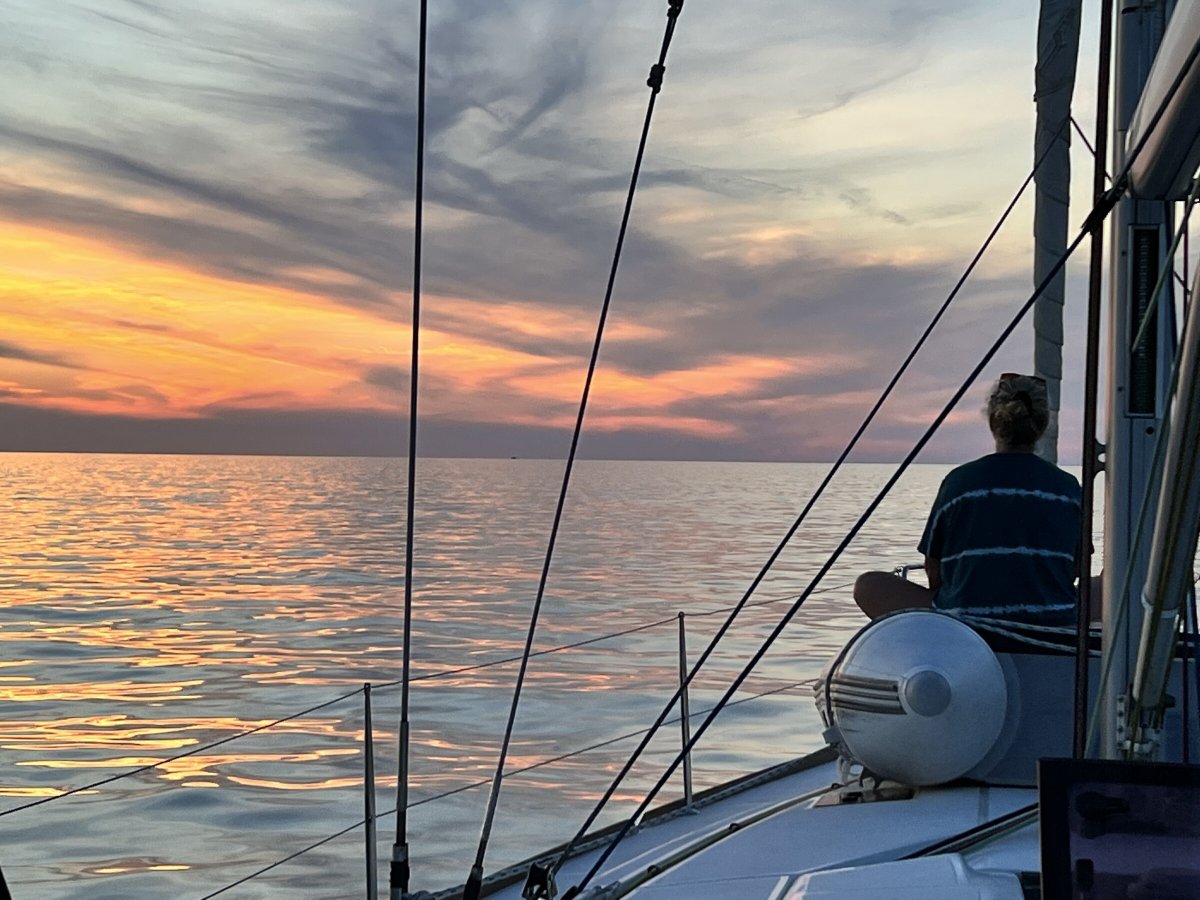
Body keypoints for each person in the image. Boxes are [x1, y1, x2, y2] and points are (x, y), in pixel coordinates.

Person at [853, 373, 1082, 626]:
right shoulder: (1067, 488)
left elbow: (934, 569)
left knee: (868, 585)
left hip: (966, 623)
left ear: (993, 422)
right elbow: (1075, 568)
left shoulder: (959, 483)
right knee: (1104, 586)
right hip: (1050, 622)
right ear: (1043, 423)